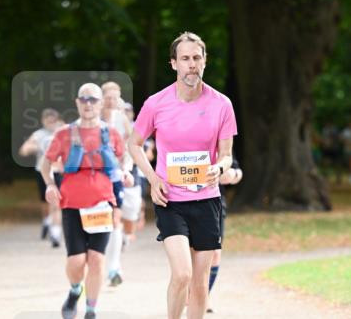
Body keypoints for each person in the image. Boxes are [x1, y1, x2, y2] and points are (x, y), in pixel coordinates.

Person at [128, 31, 237, 319]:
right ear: (174, 64)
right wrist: (153, 179)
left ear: (205, 62)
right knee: (182, 275)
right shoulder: (156, 103)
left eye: (196, 58)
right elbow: (134, 144)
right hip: (171, 199)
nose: (191, 64)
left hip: (207, 200)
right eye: (185, 58)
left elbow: (226, 154)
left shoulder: (222, 104)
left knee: (200, 285)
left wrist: (220, 167)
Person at [41, 83, 124, 319]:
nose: (88, 104)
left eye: (93, 100)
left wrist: (126, 172)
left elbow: (124, 159)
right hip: (72, 205)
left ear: (100, 104)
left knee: (97, 260)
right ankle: (75, 289)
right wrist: (50, 184)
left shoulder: (110, 133)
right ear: (77, 103)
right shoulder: (64, 134)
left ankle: (90, 309)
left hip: (102, 204)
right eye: (84, 99)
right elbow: (46, 165)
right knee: (77, 262)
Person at [101, 81, 134, 287]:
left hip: (115, 175)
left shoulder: (122, 120)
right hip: (94, 175)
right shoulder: (92, 118)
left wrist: (126, 168)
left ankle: (114, 267)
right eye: (108, 97)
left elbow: (131, 146)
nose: (112, 101)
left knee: (115, 217)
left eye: (115, 97)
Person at [19, 108, 63, 247]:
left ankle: (55, 234)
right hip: (42, 172)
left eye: (53, 121)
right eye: (47, 121)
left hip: (58, 172)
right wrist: (36, 146)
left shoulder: (62, 133)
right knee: (45, 204)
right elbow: (24, 150)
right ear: (43, 121)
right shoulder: (39, 135)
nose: (50, 123)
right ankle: (47, 222)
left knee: (56, 204)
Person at [206, 158, 243, 314]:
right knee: (192, 252)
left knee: (215, 253)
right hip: (185, 200)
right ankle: (191, 291)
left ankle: (203, 295)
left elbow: (237, 170)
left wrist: (232, 174)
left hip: (216, 202)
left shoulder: (221, 136)